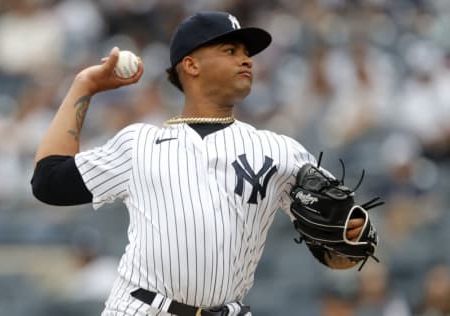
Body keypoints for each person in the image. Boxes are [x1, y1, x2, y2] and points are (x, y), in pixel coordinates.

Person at [31, 11, 367, 316]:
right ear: (191, 65)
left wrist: (354, 238)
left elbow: (340, 252)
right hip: (140, 308)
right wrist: (84, 86)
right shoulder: (139, 143)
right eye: (231, 51)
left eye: (247, 53)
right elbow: (48, 182)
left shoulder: (282, 151)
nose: (246, 60)